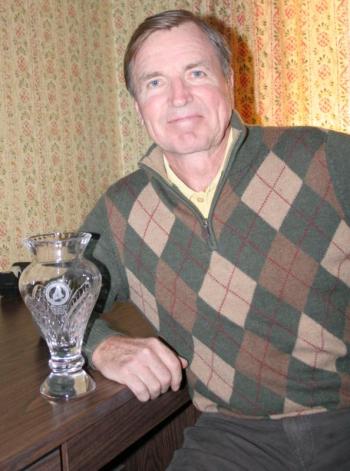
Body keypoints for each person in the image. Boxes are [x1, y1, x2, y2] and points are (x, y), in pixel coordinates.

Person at [82, 9, 350, 470]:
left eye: (196, 72)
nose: (179, 97)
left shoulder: (325, 158)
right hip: (235, 437)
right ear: (137, 106)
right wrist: (102, 344)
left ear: (229, 79)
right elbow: (54, 289)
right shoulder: (121, 209)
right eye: (155, 83)